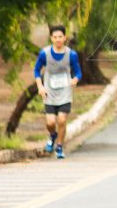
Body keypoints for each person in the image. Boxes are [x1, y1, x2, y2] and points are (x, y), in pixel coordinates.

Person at [34, 25, 83, 159]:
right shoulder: (45, 53)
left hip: (65, 92)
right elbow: (36, 70)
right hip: (49, 92)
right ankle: (53, 135)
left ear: (65, 37)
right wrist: (40, 86)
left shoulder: (71, 55)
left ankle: (59, 147)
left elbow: (78, 72)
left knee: (61, 120)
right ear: (51, 38)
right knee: (50, 122)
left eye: (60, 37)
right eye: (55, 37)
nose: (58, 40)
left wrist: (75, 79)